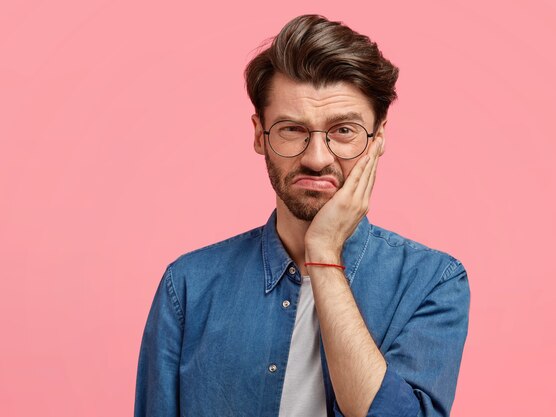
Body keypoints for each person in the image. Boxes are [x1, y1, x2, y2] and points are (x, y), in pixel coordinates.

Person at [134, 14, 470, 417]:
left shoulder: (432, 282)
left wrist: (324, 254)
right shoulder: (188, 286)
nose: (316, 158)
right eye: (292, 130)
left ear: (378, 140)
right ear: (260, 135)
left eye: (343, 130)